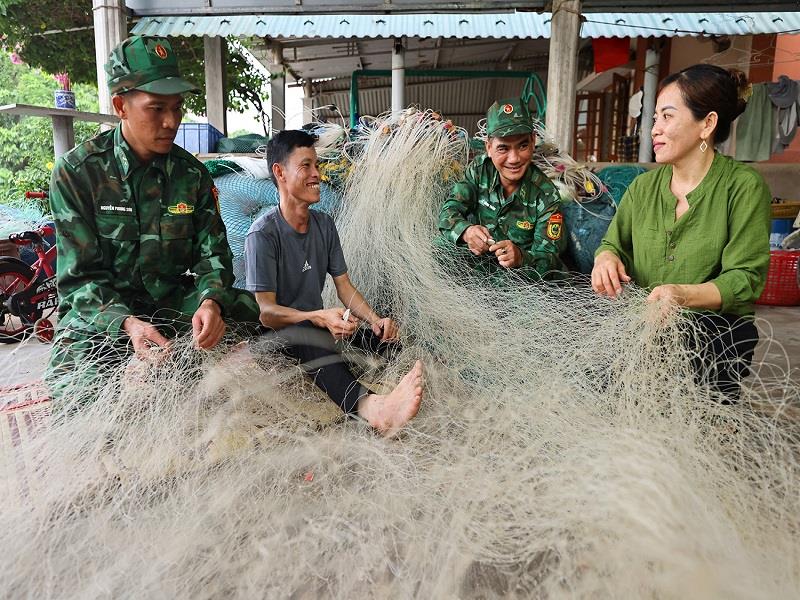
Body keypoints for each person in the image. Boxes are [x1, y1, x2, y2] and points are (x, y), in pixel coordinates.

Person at [46, 35, 259, 403]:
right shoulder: (78, 173)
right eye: (156, 108)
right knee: (75, 392)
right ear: (120, 105)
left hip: (169, 304)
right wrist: (127, 323)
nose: (171, 121)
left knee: (246, 312)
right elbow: (80, 282)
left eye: (177, 107)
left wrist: (210, 301)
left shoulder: (191, 174)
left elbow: (214, 256)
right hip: (105, 317)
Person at [592, 64, 771, 402]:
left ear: (707, 124)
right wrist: (606, 258)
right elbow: (613, 243)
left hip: (714, 334)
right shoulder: (643, 187)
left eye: (667, 117)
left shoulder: (743, 187)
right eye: (655, 118)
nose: (654, 130)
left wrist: (681, 295)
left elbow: (746, 278)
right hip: (644, 327)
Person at [244, 130, 423, 436]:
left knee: (385, 343)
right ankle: (374, 409)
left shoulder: (324, 225)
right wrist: (316, 316)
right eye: (306, 166)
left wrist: (375, 320)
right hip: (277, 337)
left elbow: (343, 286)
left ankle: (394, 378)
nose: (317, 174)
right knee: (307, 336)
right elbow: (266, 312)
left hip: (316, 326)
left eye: (316, 165)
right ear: (280, 173)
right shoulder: (263, 234)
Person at [438, 98, 567, 280]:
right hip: (482, 265)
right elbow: (448, 212)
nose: (514, 159)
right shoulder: (479, 170)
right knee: (439, 249)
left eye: (522, 145)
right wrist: (466, 232)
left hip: (520, 279)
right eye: (503, 148)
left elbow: (549, 260)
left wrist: (521, 257)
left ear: (533, 142)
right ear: (489, 148)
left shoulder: (546, 195)